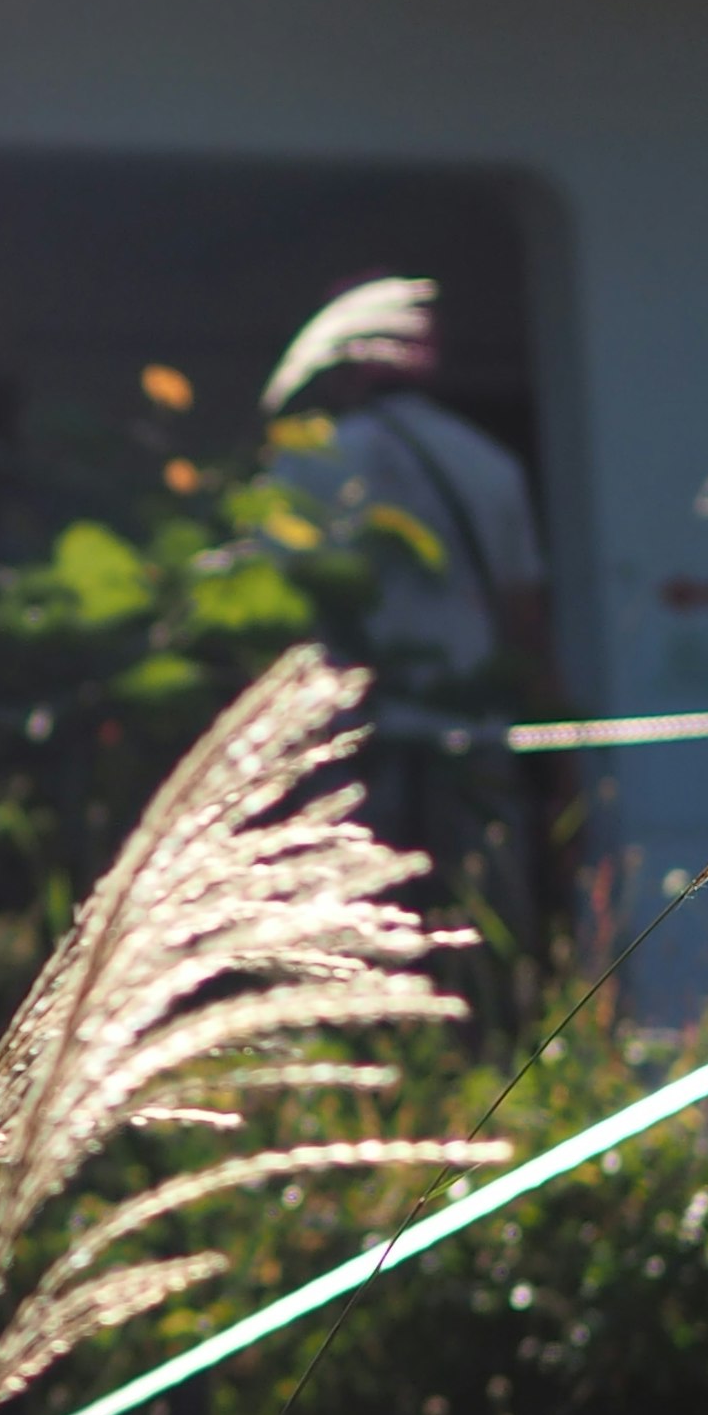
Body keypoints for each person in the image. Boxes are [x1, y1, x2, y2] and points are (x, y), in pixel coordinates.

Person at [267, 273, 558, 951]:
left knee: (356, 948)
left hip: (353, 746)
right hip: (473, 735)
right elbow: (525, 617)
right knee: (481, 935)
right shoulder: (488, 464)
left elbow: (278, 611)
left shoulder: (309, 460)